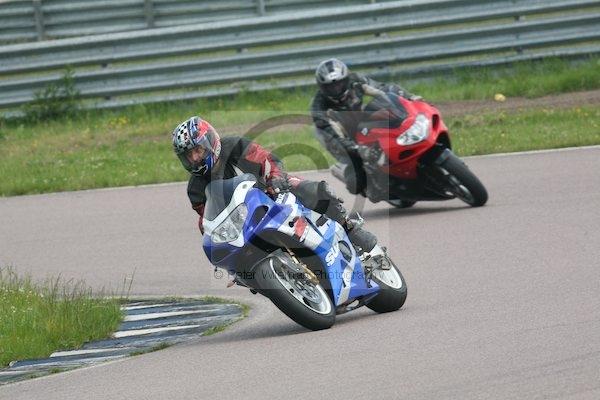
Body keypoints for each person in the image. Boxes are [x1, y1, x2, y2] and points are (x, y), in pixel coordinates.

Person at [172, 116, 378, 254]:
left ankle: (349, 228)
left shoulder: (234, 146)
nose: (194, 158)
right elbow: (208, 220)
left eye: (197, 150)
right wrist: (212, 235)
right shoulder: (195, 189)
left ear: (210, 141)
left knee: (311, 189)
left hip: (271, 192)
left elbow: (266, 159)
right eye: (188, 155)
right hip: (244, 223)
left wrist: (275, 178)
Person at [310, 58, 421, 194]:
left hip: (358, 118)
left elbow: (383, 88)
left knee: (386, 117)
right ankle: (345, 168)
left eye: (339, 84)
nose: (336, 89)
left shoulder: (355, 81)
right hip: (336, 134)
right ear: (322, 87)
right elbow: (332, 134)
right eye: (330, 87)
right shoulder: (318, 106)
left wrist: (410, 97)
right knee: (356, 183)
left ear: (346, 79)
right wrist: (353, 148)